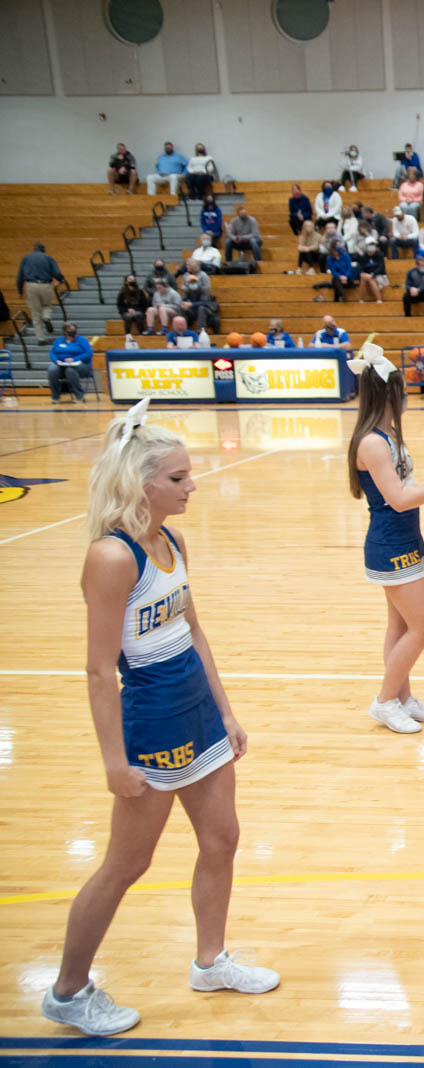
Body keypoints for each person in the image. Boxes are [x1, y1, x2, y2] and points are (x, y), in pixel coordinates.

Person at [39, 402, 278, 1039]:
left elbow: (193, 630)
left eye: (188, 474)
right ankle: (68, 992)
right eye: (178, 477)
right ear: (140, 484)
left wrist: (225, 710)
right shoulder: (111, 558)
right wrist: (114, 763)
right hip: (151, 720)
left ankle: (211, 962)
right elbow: (98, 670)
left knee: (222, 839)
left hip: (198, 710)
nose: (192, 485)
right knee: (125, 865)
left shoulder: (172, 541)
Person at [346, 348, 424, 733]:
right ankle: (384, 701)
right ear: (386, 394)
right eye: (402, 391)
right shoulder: (372, 443)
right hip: (390, 545)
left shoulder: (387, 435)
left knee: (401, 626)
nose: (406, 396)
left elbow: (405, 487)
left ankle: (403, 698)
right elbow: (399, 498)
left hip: (407, 539)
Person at [19, 241, 65, 342]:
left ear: (34, 249)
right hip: (45, 285)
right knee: (47, 305)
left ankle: (40, 339)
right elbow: (56, 272)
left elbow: (20, 275)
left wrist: (20, 290)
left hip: (31, 285)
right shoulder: (48, 258)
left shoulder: (26, 258)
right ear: (43, 250)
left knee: (35, 313)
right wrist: (61, 280)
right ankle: (46, 317)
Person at [47, 324, 93, 403]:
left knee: (70, 370)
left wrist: (74, 359)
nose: (72, 332)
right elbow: (52, 353)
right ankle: (55, 397)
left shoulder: (82, 340)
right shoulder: (59, 340)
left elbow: (89, 353)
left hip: (82, 365)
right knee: (52, 369)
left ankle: (80, 396)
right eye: (70, 331)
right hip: (62, 365)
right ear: (65, 332)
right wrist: (56, 360)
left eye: (74, 330)